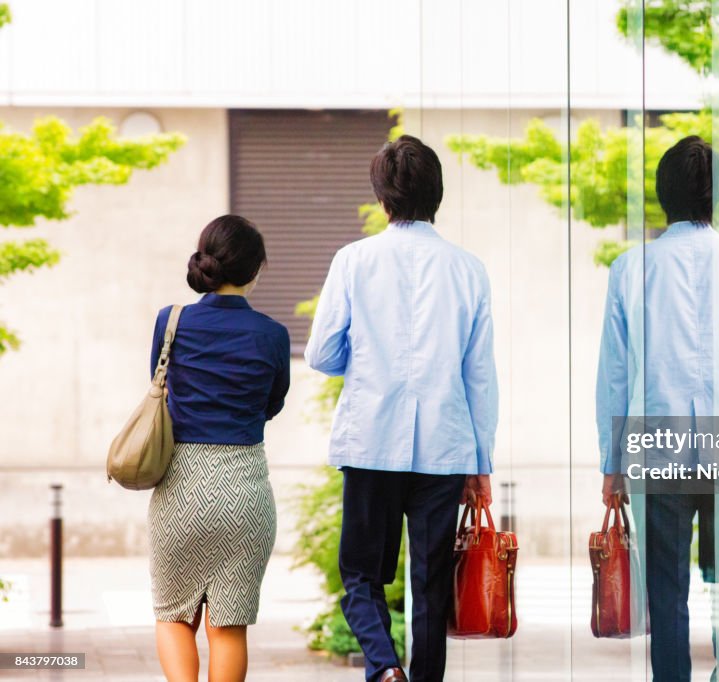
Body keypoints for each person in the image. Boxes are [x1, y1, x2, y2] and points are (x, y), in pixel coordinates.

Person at [596, 136, 719, 681]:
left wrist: (611, 464)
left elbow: (615, 375)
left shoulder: (630, 268)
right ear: (718, 197)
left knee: (666, 585)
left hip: (660, 447)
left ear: (663, 196)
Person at [305, 134, 498, 682]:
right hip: (445, 447)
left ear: (383, 198)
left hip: (371, 438)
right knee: (432, 583)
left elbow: (321, 353)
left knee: (362, 573)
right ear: (437, 193)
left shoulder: (354, 261)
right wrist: (481, 464)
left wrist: (366, 361)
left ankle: (384, 668)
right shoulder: (469, 269)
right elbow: (479, 375)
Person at [148, 215, 290, 682]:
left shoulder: (172, 322)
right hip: (245, 488)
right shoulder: (272, 335)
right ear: (256, 270)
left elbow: (160, 388)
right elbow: (273, 404)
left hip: (182, 487)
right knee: (228, 628)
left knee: (174, 617)